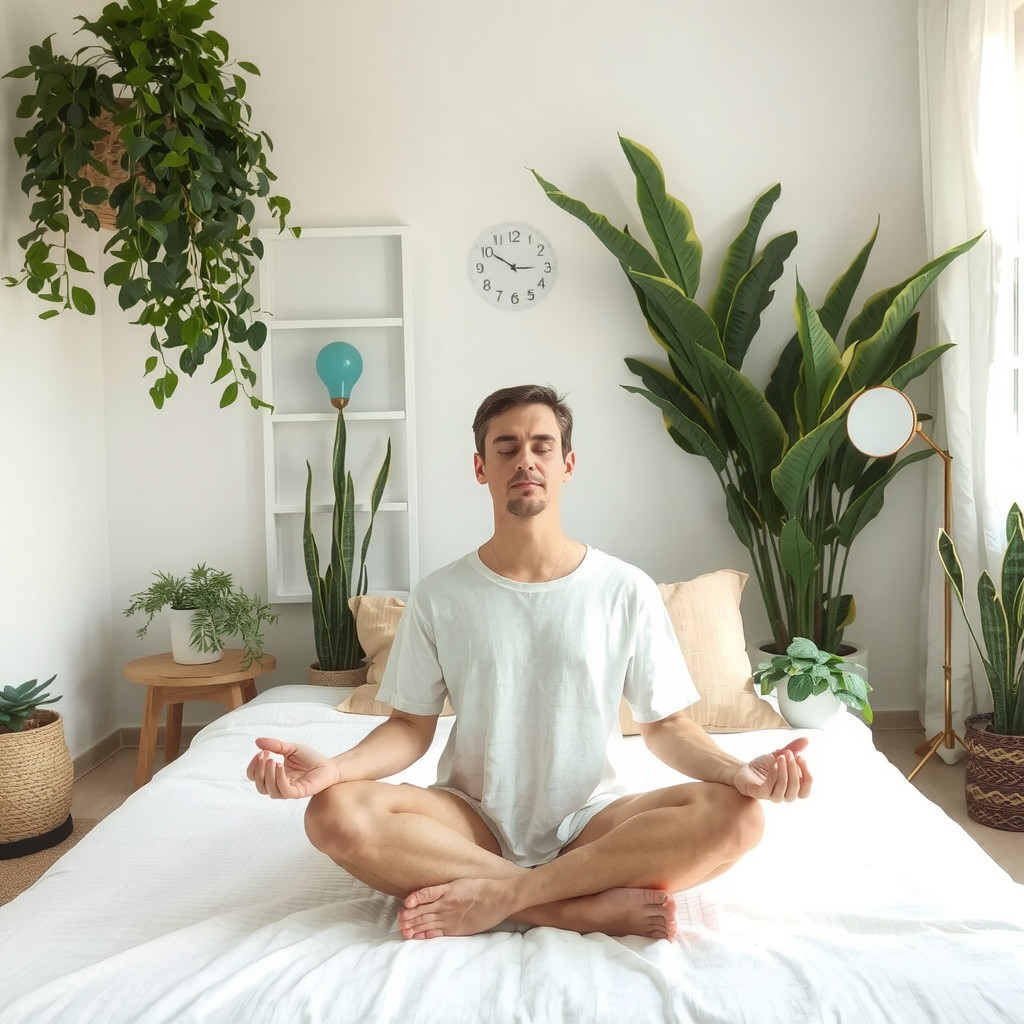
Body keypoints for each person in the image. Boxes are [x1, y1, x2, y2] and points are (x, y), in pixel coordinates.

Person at [247, 384, 811, 942]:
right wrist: (335, 770)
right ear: (480, 467)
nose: (526, 460)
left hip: (595, 821)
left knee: (739, 817)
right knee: (331, 813)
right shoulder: (440, 594)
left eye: (542, 446)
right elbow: (409, 728)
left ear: (567, 464)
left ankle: (505, 897)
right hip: (470, 820)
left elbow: (667, 726)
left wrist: (733, 771)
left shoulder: (624, 588)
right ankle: (570, 909)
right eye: (507, 447)